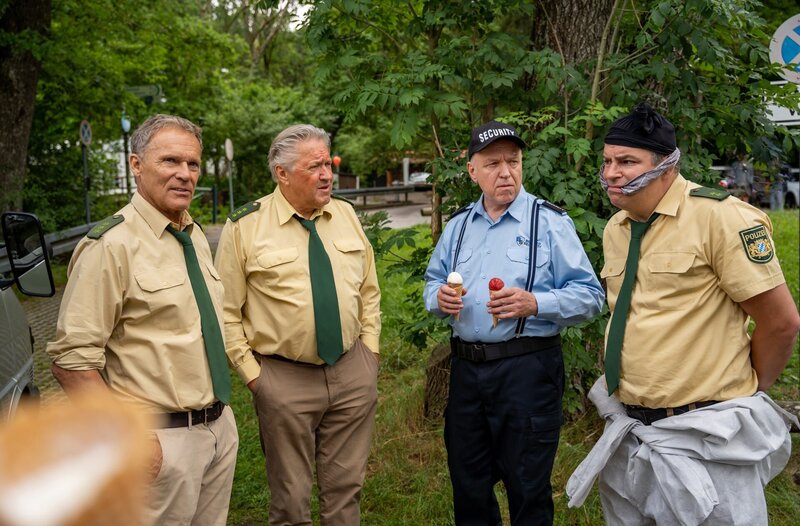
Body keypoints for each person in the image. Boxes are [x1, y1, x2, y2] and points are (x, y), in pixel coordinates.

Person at [566, 103, 800, 524]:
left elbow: (781, 322)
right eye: (607, 161)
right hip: (630, 430)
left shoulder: (721, 218)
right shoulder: (616, 228)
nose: (612, 172)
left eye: (627, 161)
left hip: (707, 436)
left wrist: (746, 390)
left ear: (667, 167)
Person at [47, 114, 239, 526]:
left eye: (192, 164)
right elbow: (72, 363)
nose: (184, 174)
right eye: (170, 161)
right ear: (136, 165)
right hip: (158, 442)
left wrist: (223, 427)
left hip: (217, 428)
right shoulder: (110, 246)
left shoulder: (193, 235)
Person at [423, 120, 605, 525]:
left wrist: (535, 302)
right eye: (492, 164)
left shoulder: (550, 223)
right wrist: (439, 298)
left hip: (527, 372)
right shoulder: (457, 228)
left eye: (513, 161)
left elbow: (592, 297)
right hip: (467, 373)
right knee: (468, 486)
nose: (506, 172)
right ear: (472, 171)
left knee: (528, 489)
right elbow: (432, 283)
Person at [214, 124, 381, 525]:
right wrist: (255, 378)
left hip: (350, 370)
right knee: (290, 498)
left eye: (328, 163)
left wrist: (370, 353)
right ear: (282, 173)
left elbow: (370, 290)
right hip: (283, 378)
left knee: (346, 490)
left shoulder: (345, 214)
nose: (327, 174)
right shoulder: (245, 227)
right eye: (314, 166)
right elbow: (225, 312)